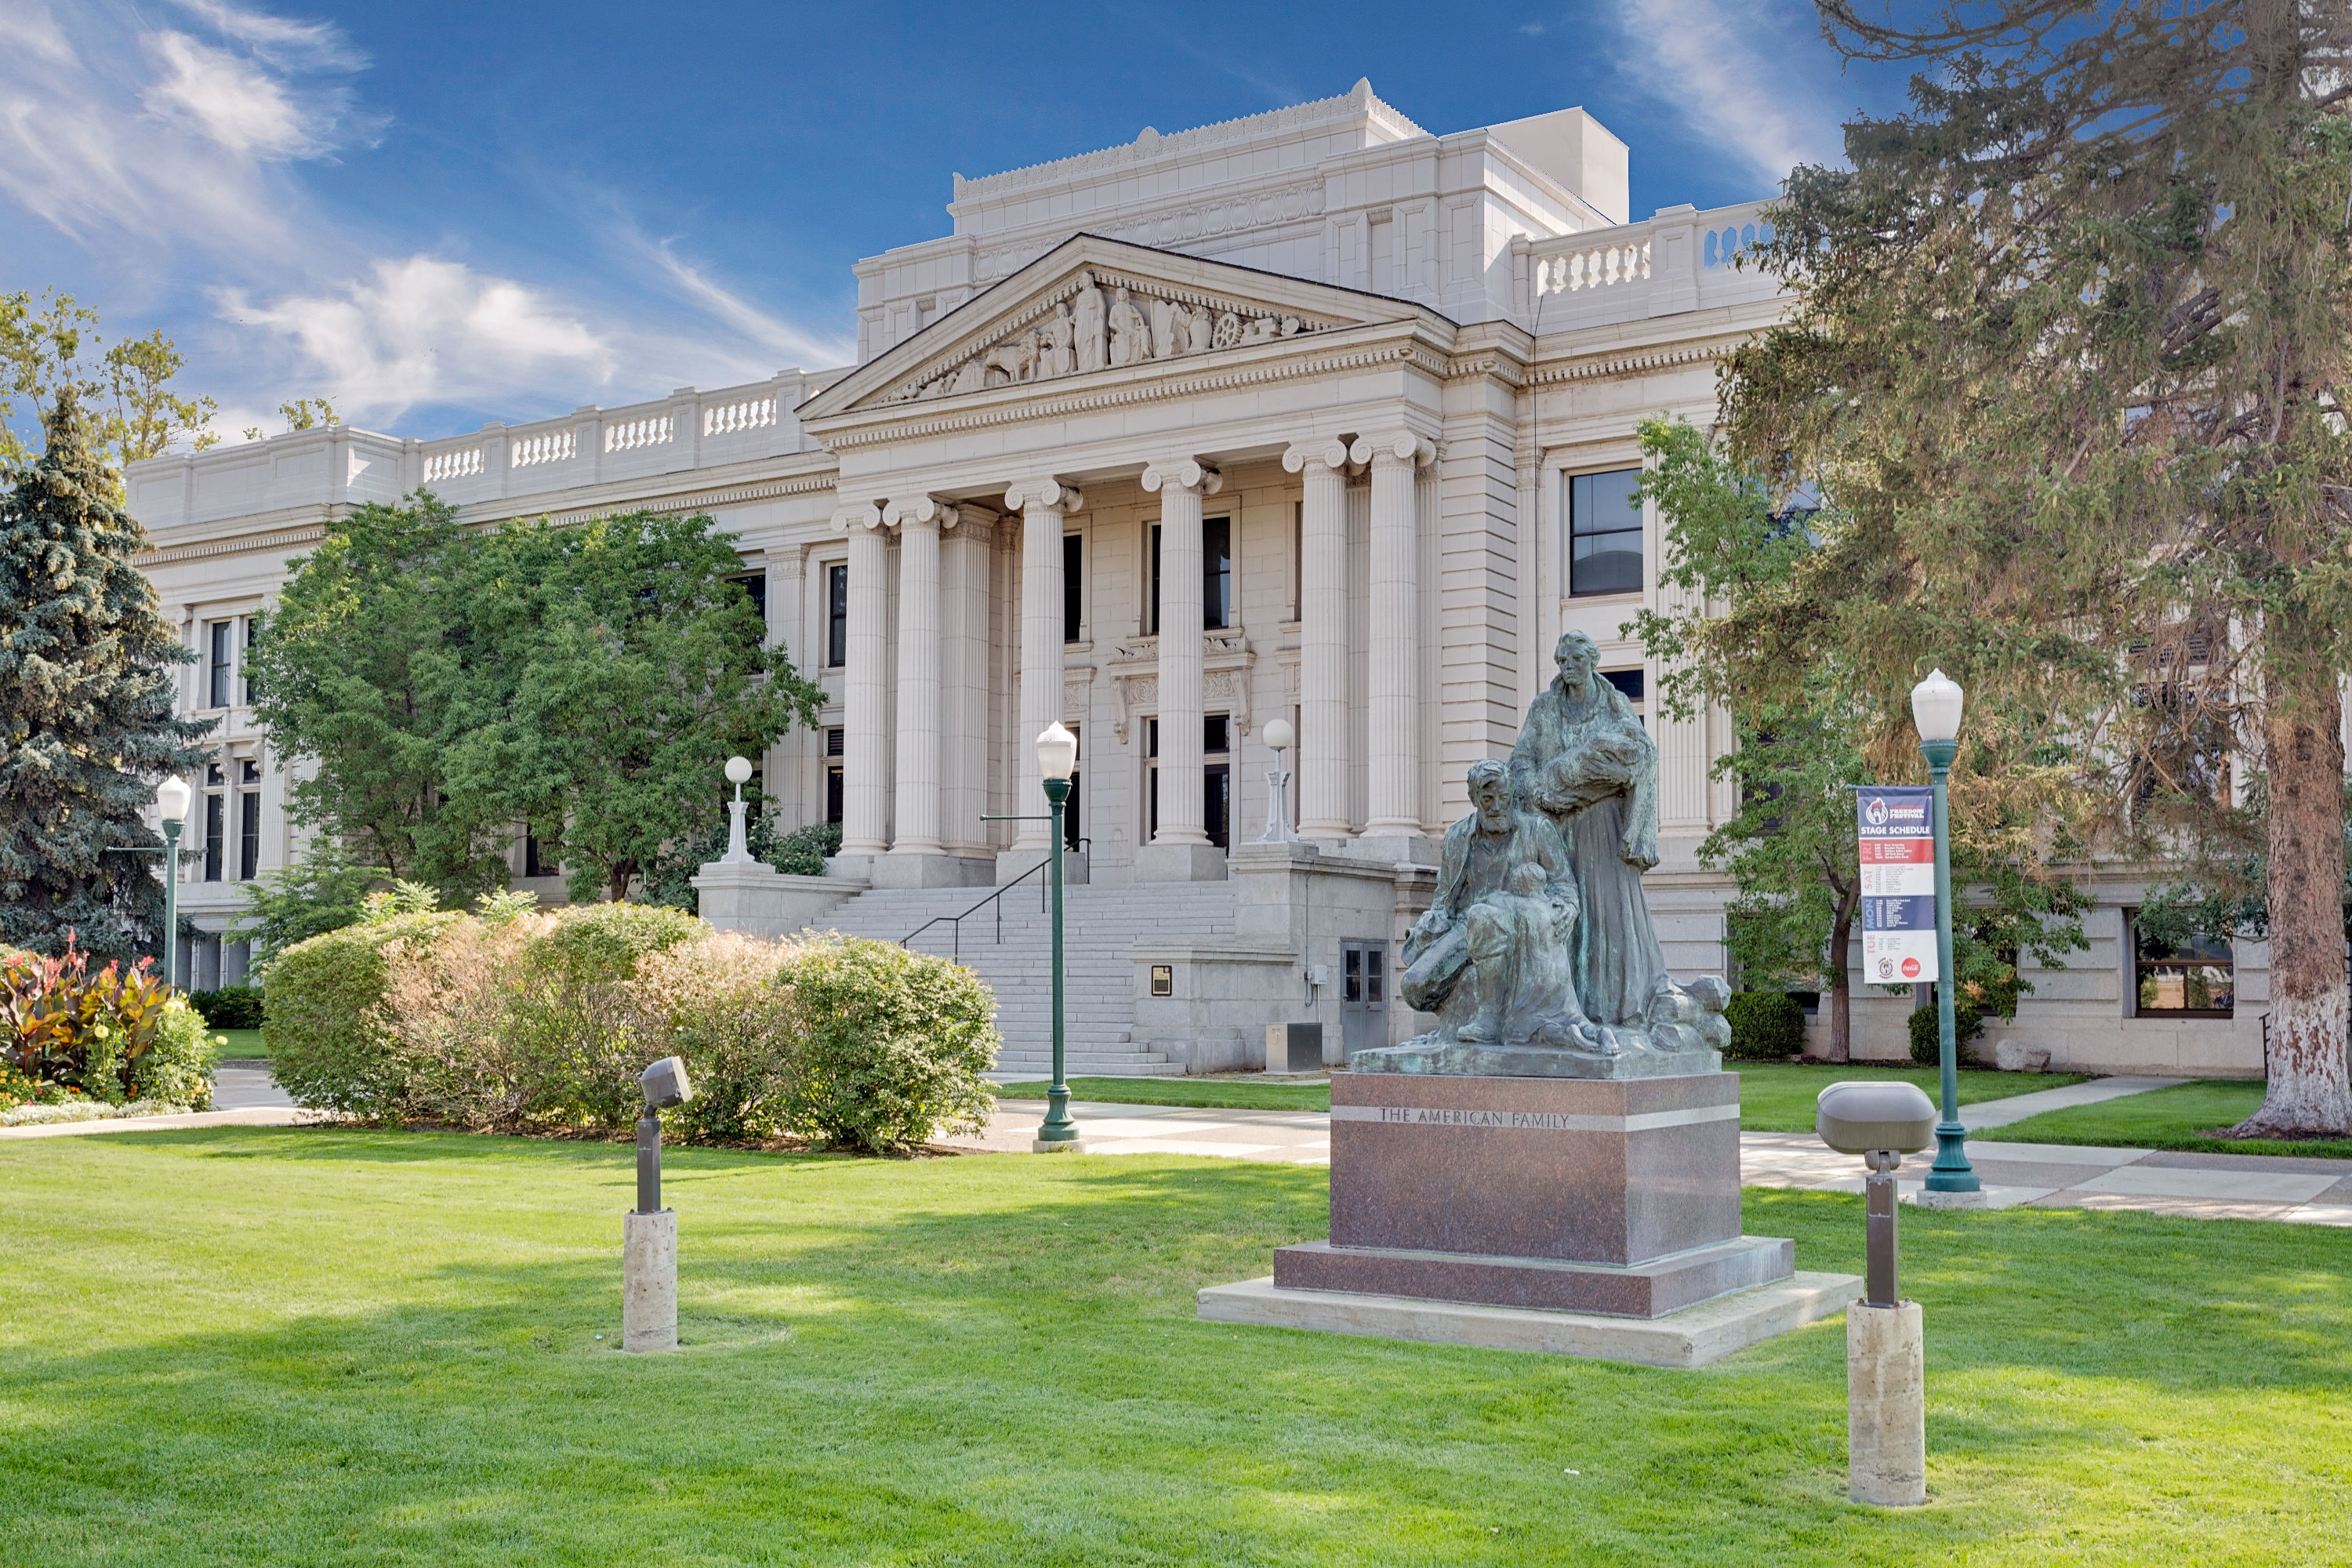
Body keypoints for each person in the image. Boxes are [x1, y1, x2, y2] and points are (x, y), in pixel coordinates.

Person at [1508, 630, 1668, 1028]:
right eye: (1562, 661)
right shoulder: (1544, 708)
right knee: (1565, 918)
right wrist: (1535, 790)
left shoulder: (1613, 702)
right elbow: (1521, 759)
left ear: (1592, 661)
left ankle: (1618, 1008)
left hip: (1603, 825)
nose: (1568, 667)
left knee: (1611, 917)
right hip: (1556, 827)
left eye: (1575, 659)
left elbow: (1643, 752)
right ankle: (1560, 1011)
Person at [1401, 759, 1592, 1049]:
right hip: (1467, 930)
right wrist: (1430, 923)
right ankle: (1452, 1027)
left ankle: (1489, 1020)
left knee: (1484, 917)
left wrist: (1569, 907)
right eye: (1488, 799)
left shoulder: (1537, 830)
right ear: (1474, 799)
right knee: (1414, 986)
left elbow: (1565, 886)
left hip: (1519, 925)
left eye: (1503, 798)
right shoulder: (1457, 837)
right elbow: (1443, 901)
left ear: (1513, 796)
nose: (1496, 806)